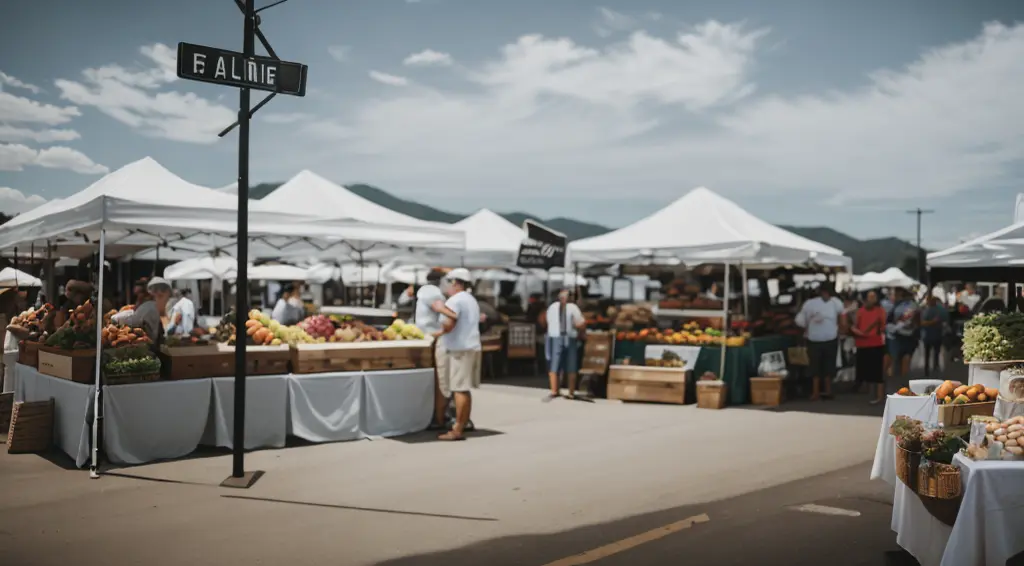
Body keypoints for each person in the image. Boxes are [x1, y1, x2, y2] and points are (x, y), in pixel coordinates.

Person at [431, 268, 480, 441]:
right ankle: (462, 424)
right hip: (470, 346)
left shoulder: (455, 300)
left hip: (459, 349)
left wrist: (439, 310)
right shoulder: (470, 299)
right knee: (463, 388)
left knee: (459, 389)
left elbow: (449, 324)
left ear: (455, 283)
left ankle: (457, 429)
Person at [401, 269, 447, 431]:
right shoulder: (434, 292)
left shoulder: (423, 290)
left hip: (422, 336)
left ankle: (434, 414)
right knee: (439, 378)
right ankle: (439, 416)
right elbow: (441, 311)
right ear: (441, 281)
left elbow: (402, 301)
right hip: (434, 337)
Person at [795, 283, 845, 401]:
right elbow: (800, 321)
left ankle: (827, 391)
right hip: (815, 339)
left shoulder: (835, 302)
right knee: (815, 367)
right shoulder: (810, 304)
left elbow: (842, 317)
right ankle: (816, 392)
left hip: (829, 338)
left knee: (827, 366)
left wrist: (841, 330)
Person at [542, 288, 586, 400]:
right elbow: (581, 323)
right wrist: (580, 330)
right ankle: (570, 392)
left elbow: (545, 321)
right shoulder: (573, 307)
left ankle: (554, 390)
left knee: (554, 363)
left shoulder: (551, 307)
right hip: (569, 337)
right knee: (571, 364)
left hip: (554, 336)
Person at [851, 290, 887, 404]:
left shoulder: (880, 311)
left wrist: (877, 330)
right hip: (862, 344)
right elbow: (854, 326)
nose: (873, 299)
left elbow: (883, 327)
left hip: (876, 344)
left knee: (878, 372)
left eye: (874, 296)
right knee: (864, 370)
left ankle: (880, 396)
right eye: (870, 297)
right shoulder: (860, 311)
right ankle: (868, 392)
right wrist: (860, 333)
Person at [113, 277, 171, 345]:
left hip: (149, 343)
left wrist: (115, 318)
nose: (138, 299)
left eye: (140, 294)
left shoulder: (148, 306)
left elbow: (134, 320)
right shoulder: (148, 305)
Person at [886, 288, 919, 380]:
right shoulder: (913, 305)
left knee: (897, 358)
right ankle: (903, 381)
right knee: (904, 357)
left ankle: (897, 380)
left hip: (900, 334)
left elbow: (893, 319)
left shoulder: (899, 305)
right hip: (906, 335)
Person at [919, 295, 948, 377]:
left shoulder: (929, 310)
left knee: (933, 353)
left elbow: (944, 322)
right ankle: (929, 369)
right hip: (930, 335)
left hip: (934, 335)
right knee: (930, 353)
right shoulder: (926, 310)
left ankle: (932, 369)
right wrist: (933, 322)